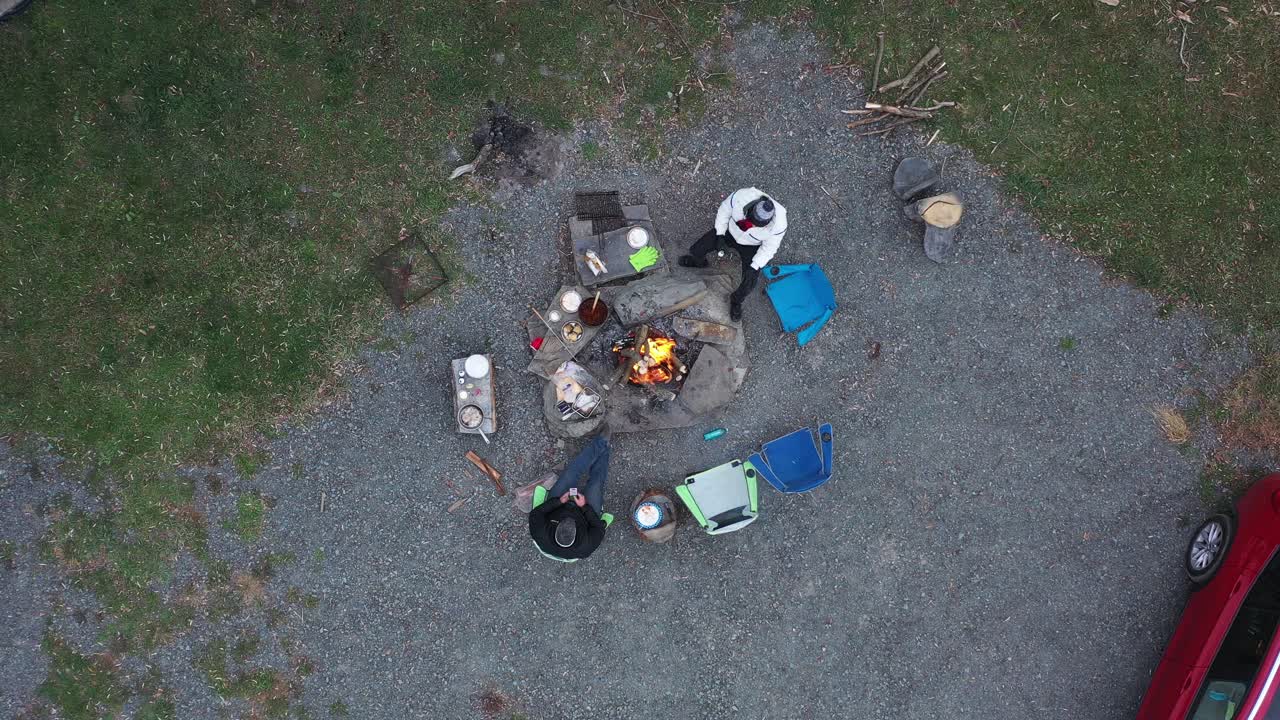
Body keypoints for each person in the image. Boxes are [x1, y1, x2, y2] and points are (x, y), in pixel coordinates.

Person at [679, 187, 788, 321]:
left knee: (750, 282)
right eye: (752, 222)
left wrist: (755, 265)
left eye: (757, 226)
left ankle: (736, 301)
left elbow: (769, 248)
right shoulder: (741, 197)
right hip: (730, 231)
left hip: (751, 245)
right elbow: (724, 211)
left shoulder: (779, 225)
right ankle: (699, 262)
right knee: (698, 248)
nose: (752, 226)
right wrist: (719, 234)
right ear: (751, 208)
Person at [528, 431, 612, 561]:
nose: (569, 518)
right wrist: (584, 507)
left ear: (556, 527)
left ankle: (601, 442)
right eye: (572, 523)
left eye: (564, 521)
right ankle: (605, 446)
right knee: (595, 485)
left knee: (570, 474)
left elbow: (536, 514)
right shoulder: (585, 547)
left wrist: (559, 502)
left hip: (558, 507)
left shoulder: (540, 534)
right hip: (585, 515)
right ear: (576, 534)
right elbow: (599, 528)